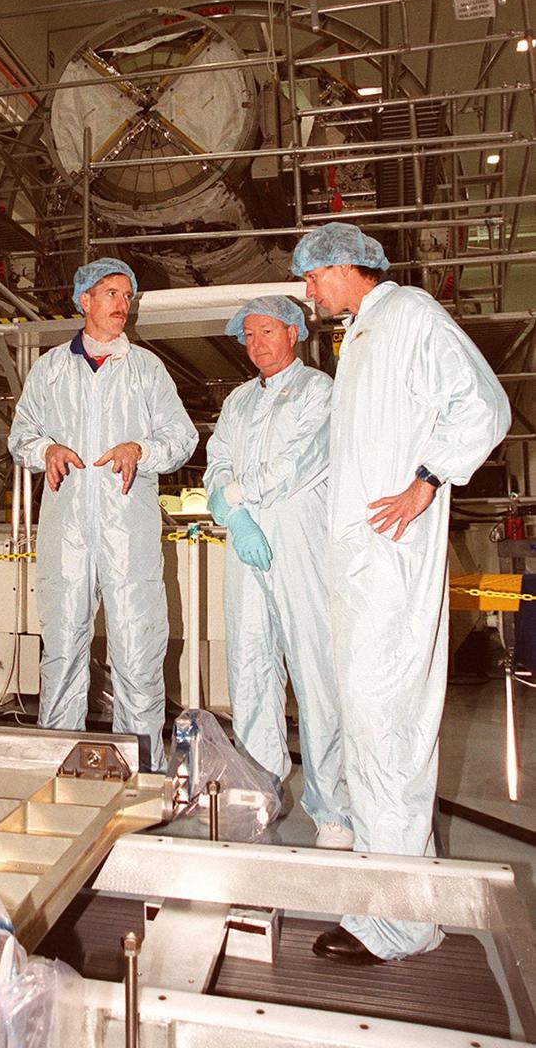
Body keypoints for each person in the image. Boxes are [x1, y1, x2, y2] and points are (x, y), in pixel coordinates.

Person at [292, 223, 510, 966]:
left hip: (388, 563)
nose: (306, 289)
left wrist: (425, 482)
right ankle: (380, 896)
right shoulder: (362, 334)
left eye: (311, 276)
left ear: (345, 266)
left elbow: (482, 407)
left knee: (388, 735)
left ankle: (401, 922)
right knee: (368, 730)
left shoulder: (410, 315)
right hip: (359, 564)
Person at [8, 257, 198, 771]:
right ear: (83, 301)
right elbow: (20, 434)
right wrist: (45, 449)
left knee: (137, 651)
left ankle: (141, 772)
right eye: (110, 294)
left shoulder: (146, 369)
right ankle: (60, 766)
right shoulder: (49, 368)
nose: (121, 304)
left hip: (127, 531)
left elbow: (182, 437)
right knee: (63, 649)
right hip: (66, 531)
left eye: (126, 296)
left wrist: (140, 448)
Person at [204, 295, 351, 849]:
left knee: (315, 670)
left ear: (294, 333)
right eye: (248, 335)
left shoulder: (320, 391)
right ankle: (261, 786)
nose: (256, 343)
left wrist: (237, 494)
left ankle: (333, 808)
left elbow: (302, 461)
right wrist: (233, 511)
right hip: (245, 543)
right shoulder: (239, 401)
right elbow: (218, 459)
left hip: (298, 539)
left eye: (267, 331)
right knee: (249, 665)